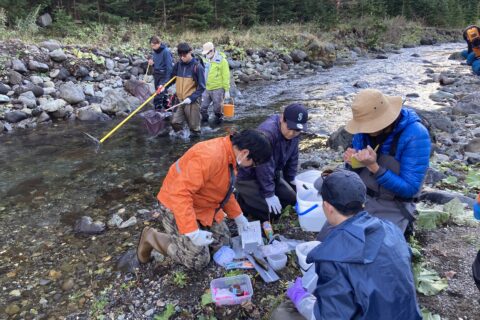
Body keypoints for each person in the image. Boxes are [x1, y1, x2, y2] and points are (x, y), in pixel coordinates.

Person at [271, 169, 422, 320]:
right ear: (363, 203)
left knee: (282, 313)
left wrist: (302, 299)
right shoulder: (391, 229)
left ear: (327, 207)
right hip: (406, 314)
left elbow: (328, 317)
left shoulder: (333, 258)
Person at [136, 130, 272, 270]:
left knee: (225, 244)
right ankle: (152, 237)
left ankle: (192, 234)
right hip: (174, 203)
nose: (252, 167)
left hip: (202, 204)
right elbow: (180, 193)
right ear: (244, 153)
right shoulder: (211, 156)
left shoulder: (231, 155)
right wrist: (192, 231)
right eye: (253, 163)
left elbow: (224, 190)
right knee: (198, 261)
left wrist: (238, 216)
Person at [340, 89, 430, 235]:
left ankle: (405, 227)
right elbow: (353, 173)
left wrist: (374, 167)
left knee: (376, 246)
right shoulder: (362, 132)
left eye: (369, 125)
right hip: (362, 197)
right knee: (333, 233)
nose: (365, 129)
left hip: (394, 204)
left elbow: (410, 188)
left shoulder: (415, 134)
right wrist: (351, 162)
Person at [236, 104, 308, 222]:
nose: (292, 134)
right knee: (271, 214)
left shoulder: (295, 134)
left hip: (272, 173)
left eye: (297, 130)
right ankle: (241, 200)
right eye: (289, 128)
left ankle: (254, 198)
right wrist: (269, 194)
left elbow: (293, 156)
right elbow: (263, 165)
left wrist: (291, 179)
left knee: (292, 201)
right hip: (248, 175)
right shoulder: (267, 133)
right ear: (281, 118)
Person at [169, 42, 206, 137]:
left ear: (190, 52)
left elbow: (202, 87)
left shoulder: (197, 67)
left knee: (194, 128)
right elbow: (171, 79)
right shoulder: (178, 65)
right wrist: (163, 87)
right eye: (180, 55)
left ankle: (195, 142)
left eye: (184, 55)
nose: (182, 57)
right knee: (175, 122)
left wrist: (191, 98)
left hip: (192, 101)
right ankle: (183, 137)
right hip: (181, 100)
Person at [200, 42, 231, 124]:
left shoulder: (222, 61)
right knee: (202, 107)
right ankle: (205, 123)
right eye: (205, 53)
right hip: (207, 88)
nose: (206, 54)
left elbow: (226, 76)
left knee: (217, 109)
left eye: (208, 52)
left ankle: (219, 123)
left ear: (213, 50)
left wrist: (227, 90)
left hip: (218, 89)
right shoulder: (206, 60)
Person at [148, 36, 173, 109]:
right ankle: (167, 109)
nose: (153, 47)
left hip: (164, 75)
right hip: (157, 74)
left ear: (159, 43)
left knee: (158, 94)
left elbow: (169, 67)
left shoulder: (166, 51)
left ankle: (157, 110)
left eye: (154, 45)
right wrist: (152, 64)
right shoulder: (155, 52)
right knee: (162, 93)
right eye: (151, 45)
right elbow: (157, 63)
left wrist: (166, 81)